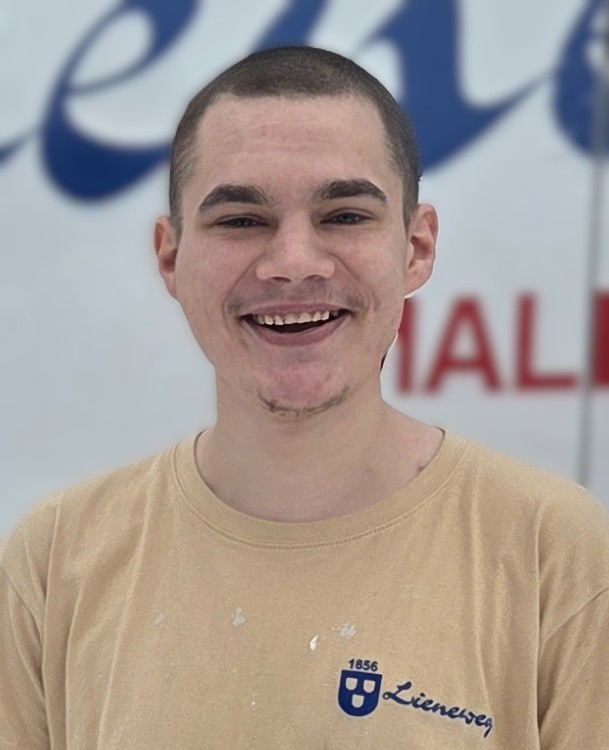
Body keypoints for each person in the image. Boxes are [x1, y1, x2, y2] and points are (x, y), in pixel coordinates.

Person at [1, 46, 608, 749]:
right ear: (170, 256)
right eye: (241, 220)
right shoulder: (57, 559)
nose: (293, 263)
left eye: (344, 215)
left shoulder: (554, 551)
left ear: (415, 248)